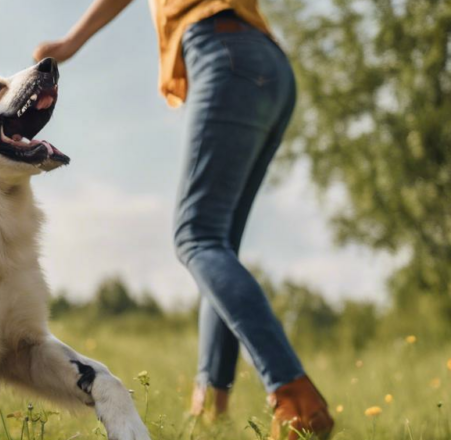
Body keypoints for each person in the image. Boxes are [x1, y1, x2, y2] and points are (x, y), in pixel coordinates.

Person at [33, 1, 334, 438]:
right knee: (216, 243)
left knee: (195, 237)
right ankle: (211, 412)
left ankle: (295, 396)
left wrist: (70, 42)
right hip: (267, 63)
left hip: (222, 47)